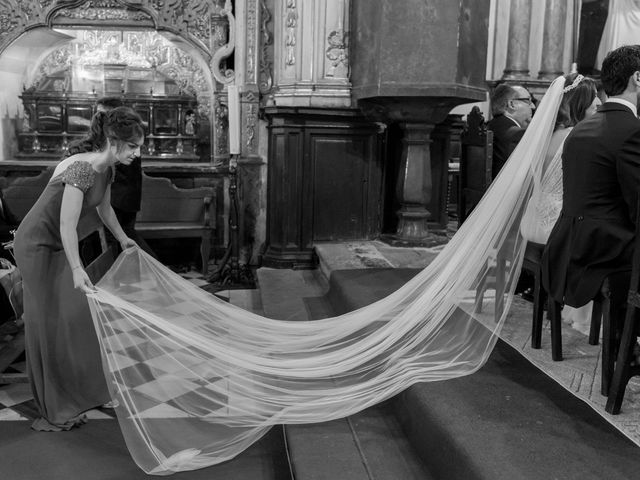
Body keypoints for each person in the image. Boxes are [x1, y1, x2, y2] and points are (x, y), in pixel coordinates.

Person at [13, 107, 144, 431]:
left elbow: (105, 209)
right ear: (113, 142)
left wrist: (124, 238)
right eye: (132, 146)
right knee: (50, 323)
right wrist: (76, 268)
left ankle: (82, 390)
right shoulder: (82, 169)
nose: (138, 153)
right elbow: (67, 225)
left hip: (58, 244)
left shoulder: (107, 170)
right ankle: (54, 405)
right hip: (37, 245)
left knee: (79, 317)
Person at [542, 45, 640, 347]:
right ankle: (627, 353)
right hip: (605, 251)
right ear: (637, 78)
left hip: (569, 243)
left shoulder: (582, 128)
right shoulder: (632, 130)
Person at [520, 73, 600, 332]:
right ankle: (587, 319)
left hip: (532, 221)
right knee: (604, 241)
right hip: (556, 228)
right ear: (578, 104)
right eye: (593, 98)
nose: (599, 102)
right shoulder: (575, 138)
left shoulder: (544, 135)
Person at [487, 83, 536, 178]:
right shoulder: (516, 135)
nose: (533, 106)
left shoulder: (491, 125)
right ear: (512, 104)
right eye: (528, 101)